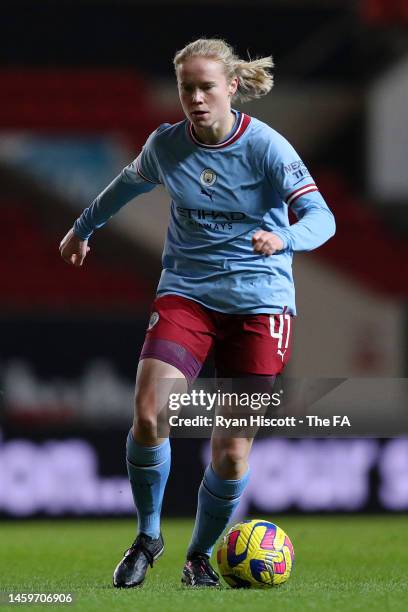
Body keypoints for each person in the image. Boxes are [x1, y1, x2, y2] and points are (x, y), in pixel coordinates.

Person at [59, 38, 335, 588]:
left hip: (260, 304)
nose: (196, 98)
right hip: (188, 293)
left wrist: (282, 239)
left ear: (232, 87)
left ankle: (199, 556)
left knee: (231, 455)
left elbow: (322, 218)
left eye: (206, 87)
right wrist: (84, 227)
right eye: (187, 88)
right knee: (148, 412)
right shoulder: (167, 146)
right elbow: (125, 186)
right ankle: (148, 535)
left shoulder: (268, 149)